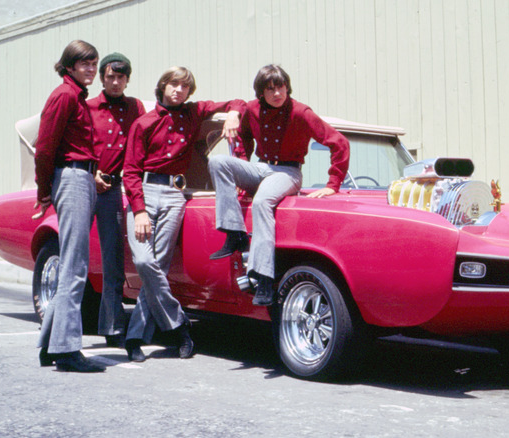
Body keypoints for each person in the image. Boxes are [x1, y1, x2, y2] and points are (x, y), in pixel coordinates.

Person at [122, 66, 245, 362]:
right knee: (144, 261)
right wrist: (138, 210)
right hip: (144, 194)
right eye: (173, 85)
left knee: (158, 269)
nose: (178, 90)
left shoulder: (193, 113)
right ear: (163, 86)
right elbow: (130, 171)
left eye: (184, 87)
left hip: (176, 195)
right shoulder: (144, 123)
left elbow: (238, 102)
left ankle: (135, 337)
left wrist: (233, 114)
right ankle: (179, 326)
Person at [208, 64, 350, 306]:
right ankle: (235, 234)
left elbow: (339, 142)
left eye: (281, 87)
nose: (277, 93)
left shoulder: (301, 113)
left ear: (287, 87)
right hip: (261, 167)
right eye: (270, 89)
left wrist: (333, 184)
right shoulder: (252, 110)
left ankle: (263, 277)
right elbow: (242, 136)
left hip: (288, 172)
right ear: (261, 92)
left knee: (262, 201)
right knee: (219, 162)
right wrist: (242, 164)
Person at [33, 40, 106, 372]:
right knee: (75, 265)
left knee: (71, 265)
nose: (91, 69)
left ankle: (51, 344)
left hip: (84, 178)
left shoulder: (76, 96)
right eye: (85, 64)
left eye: (94, 64)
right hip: (72, 178)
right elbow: (45, 147)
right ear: (70, 66)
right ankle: (67, 350)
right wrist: (43, 190)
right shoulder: (64, 95)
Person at [87, 53, 146, 348]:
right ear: (101, 78)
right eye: (110, 76)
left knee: (113, 259)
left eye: (120, 77)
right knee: (72, 260)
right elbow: (75, 144)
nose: (115, 82)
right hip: (85, 184)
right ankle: (54, 335)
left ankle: (112, 328)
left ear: (127, 79)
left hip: (113, 188)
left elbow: (143, 146)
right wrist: (91, 173)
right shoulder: (86, 108)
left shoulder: (136, 107)